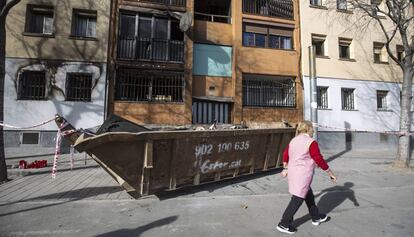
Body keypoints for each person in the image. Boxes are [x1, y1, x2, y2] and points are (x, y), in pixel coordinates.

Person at [276, 121, 337, 235]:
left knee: (308, 194)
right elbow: (318, 159)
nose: (313, 130)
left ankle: (316, 216)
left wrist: (285, 165)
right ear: (308, 129)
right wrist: (330, 172)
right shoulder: (311, 142)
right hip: (302, 174)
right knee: (298, 198)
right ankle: (284, 223)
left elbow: (285, 154)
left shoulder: (294, 140)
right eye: (312, 128)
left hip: (294, 172)